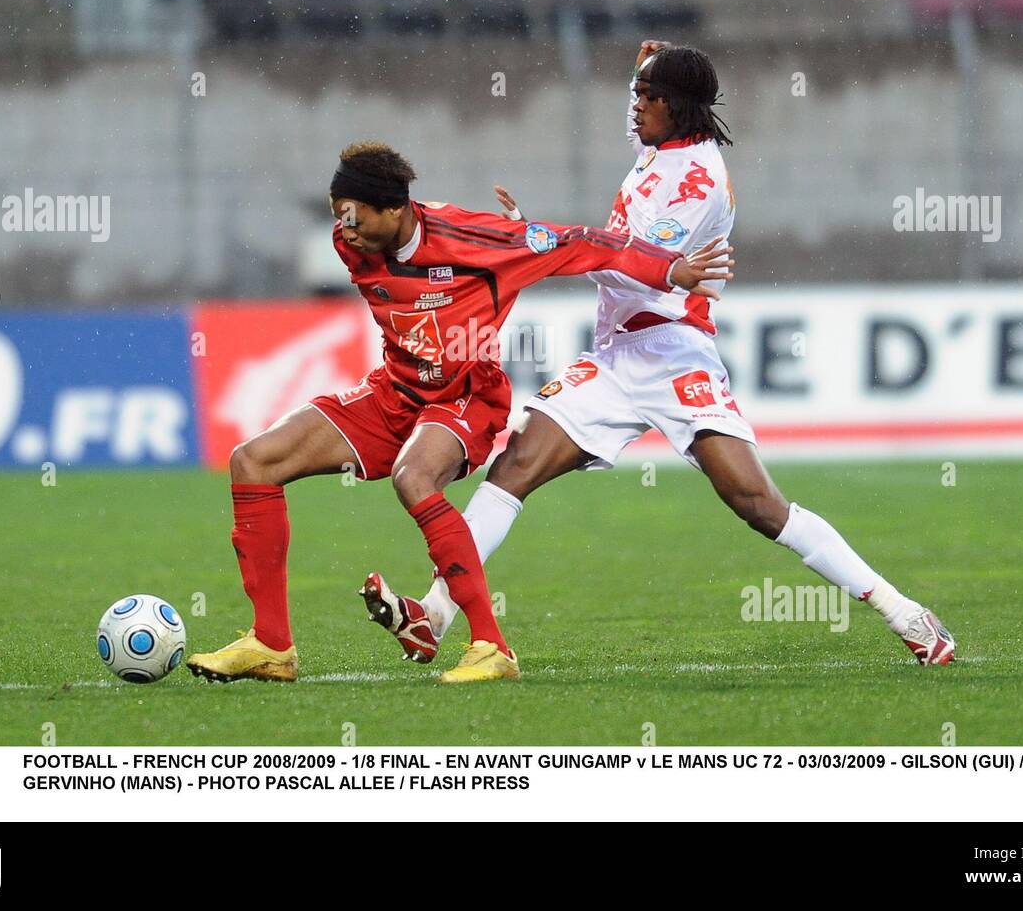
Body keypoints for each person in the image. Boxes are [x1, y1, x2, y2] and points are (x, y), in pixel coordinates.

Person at [363, 43, 956, 678]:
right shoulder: (663, 151)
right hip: (617, 357)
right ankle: (434, 616)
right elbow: (626, 235)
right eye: (635, 94)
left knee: (757, 504)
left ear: (674, 106)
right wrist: (535, 237)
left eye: (645, 97)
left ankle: (904, 612)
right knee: (513, 469)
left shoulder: (694, 181)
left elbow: (641, 273)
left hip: (673, 355)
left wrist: (532, 247)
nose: (634, 107)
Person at [186, 139, 733, 684]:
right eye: (338, 216)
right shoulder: (349, 244)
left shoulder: (472, 237)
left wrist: (668, 270)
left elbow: (580, 241)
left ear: (396, 209)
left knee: (414, 477)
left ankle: (491, 647)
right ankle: (272, 645)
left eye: (355, 217)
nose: (344, 230)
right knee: (252, 461)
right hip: (394, 393)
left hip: (466, 394)